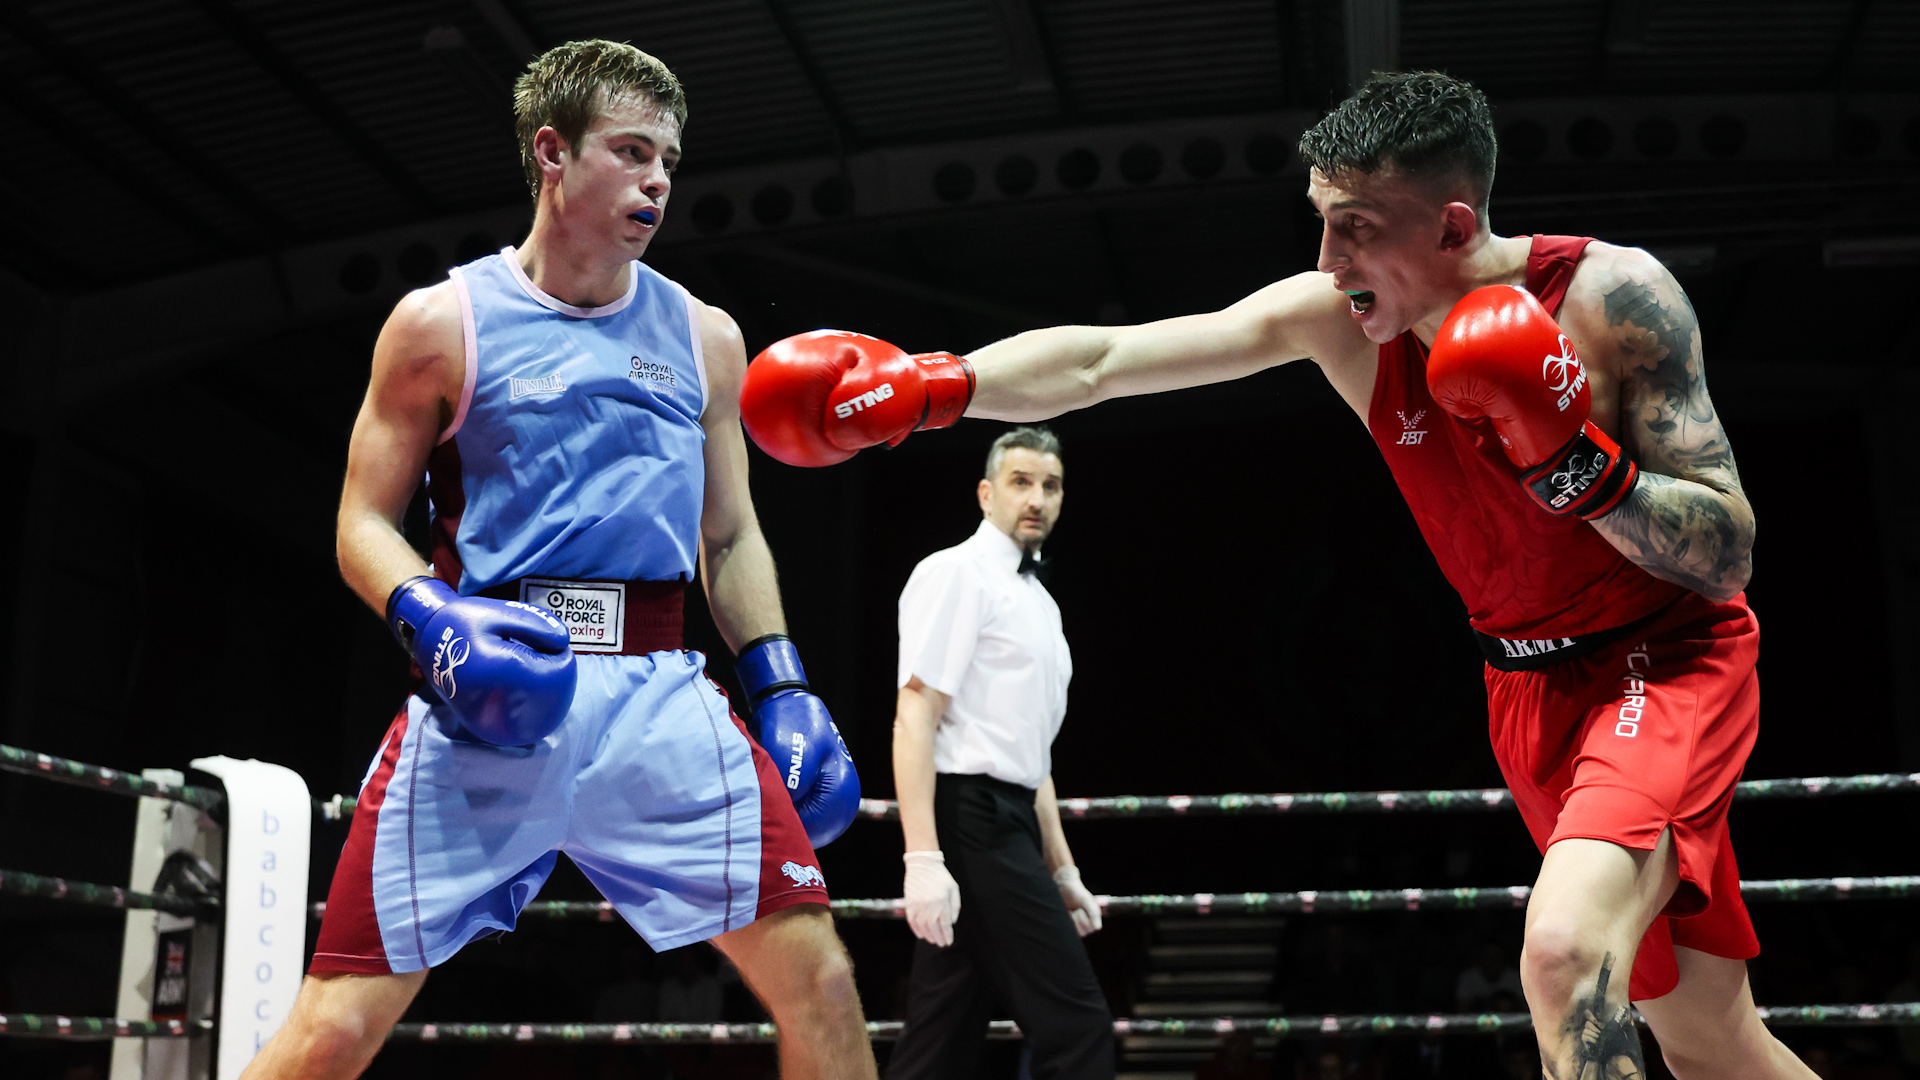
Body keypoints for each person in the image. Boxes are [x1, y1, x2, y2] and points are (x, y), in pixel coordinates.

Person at [738, 71, 1818, 1080]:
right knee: (1709, 1040)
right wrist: (939, 387)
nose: (1331, 258)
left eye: (1358, 227)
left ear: (1452, 227)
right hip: (1524, 689)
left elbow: (1728, 550)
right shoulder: (1342, 323)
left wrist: (1574, 463)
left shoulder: (1614, 298)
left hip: (1659, 664)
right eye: (1322, 220)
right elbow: (1105, 362)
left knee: (1563, 954)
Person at [240, 40, 875, 1080]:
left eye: (668, 160)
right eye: (630, 151)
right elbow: (361, 521)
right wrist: (432, 620)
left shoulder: (706, 337)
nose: (657, 180)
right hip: (488, 694)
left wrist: (782, 679)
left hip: (660, 699)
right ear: (552, 153)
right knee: (336, 1030)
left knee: (826, 985)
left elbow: (729, 535)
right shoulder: (442, 323)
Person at [887, 427, 1113, 1080]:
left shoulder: (1040, 603)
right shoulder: (956, 573)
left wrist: (1062, 869)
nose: (1036, 498)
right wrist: (922, 858)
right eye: (1021, 482)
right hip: (972, 821)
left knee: (940, 1041)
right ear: (987, 494)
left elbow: (1032, 757)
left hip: (1007, 820)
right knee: (1077, 1028)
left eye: (1051, 485)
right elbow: (915, 714)